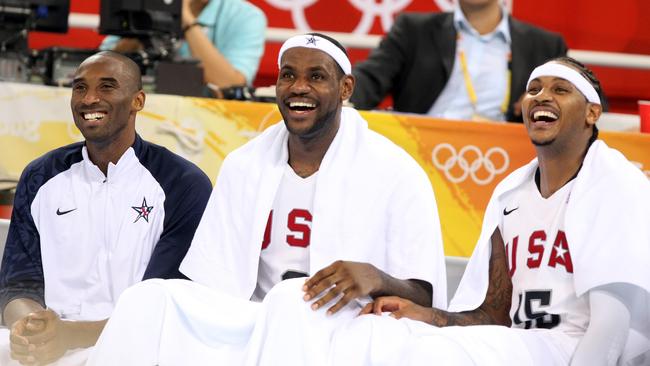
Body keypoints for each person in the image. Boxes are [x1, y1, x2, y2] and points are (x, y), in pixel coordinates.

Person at [86, 33, 447, 365]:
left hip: (348, 325)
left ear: (345, 88)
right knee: (148, 299)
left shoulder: (395, 170)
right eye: (288, 76)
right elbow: (210, 281)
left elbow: (424, 295)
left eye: (316, 77)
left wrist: (374, 277)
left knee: (292, 300)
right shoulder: (245, 164)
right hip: (252, 318)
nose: (298, 88)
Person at [329, 57, 650, 365]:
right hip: (522, 344)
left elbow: (612, 325)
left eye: (560, 90)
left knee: (436, 355)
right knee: (388, 335)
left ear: (592, 112)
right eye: (534, 89)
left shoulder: (618, 183)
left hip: (578, 346)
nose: (542, 97)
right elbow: (493, 314)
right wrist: (425, 315)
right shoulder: (510, 193)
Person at [0, 51, 212, 365]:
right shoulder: (40, 176)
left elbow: (167, 307)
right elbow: (18, 284)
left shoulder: (182, 182)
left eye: (107, 87)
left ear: (138, 100)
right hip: (49, 347)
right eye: (80, 88)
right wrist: (29, 328)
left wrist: (70, 336)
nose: (89, 99)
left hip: (138, 350)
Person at [351, 0, 567, 122]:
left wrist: (547, 99)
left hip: (503, 159)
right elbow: (370, 78)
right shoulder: (414, 30)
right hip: (420, 149)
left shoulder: (545, 46)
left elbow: (581, 100)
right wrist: (336, 90)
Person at [102, 0, 267, 92]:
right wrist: (142, 29)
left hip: (209, 120)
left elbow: (230, 85)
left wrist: (186, 20)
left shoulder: (246, 16)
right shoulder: (146, 3)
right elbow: (99, 70)